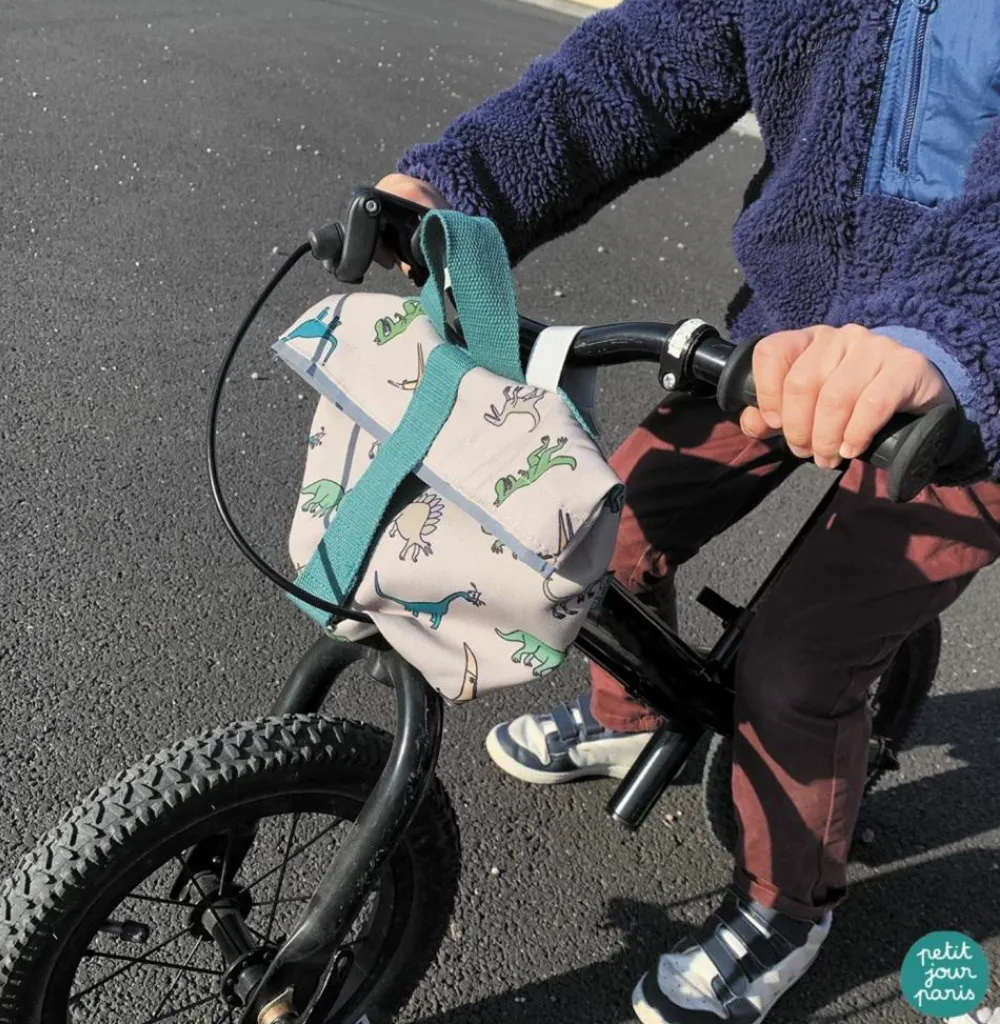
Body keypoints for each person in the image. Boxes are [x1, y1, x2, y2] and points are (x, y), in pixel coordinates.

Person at [376, 1, 1000, 1020]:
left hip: (974, 389)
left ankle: (787, 905)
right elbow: (629, 70)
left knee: (797, 664)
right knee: (598, 522)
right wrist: (453, 183)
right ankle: (631, 717)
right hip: (789, 342)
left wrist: (951, 338)